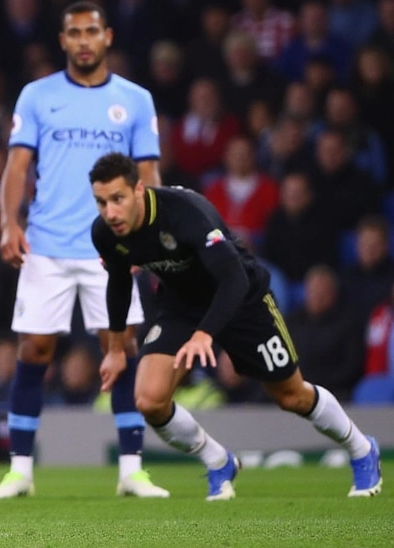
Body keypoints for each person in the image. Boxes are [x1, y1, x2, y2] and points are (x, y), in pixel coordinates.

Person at [90, 152, 382, 500]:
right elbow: (119, 283)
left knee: (291, 395)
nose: (110, 212)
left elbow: (233, 278)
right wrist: (115, 349)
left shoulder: (185, 213)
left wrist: (205, 334)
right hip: (181, 304)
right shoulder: (105, 233)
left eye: (117, 199)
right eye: (101, 202)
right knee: (149, 401)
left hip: (243, 299)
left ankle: (362, 449)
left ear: (139, 190)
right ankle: (218, 461)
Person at [0, 1, 169, 499]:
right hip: (46, 243)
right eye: (75, 33)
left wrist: (146, 235)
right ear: (63, 40)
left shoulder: (134, 99)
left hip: (110, 249)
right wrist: (9, 223)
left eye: (92, 31)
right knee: (35, 350)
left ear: (107, 36)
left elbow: (149, 175)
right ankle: (20, 471)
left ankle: (132, 469)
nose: (84, 40)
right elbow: (17, 167)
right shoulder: (37, 95)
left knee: (121, 349)